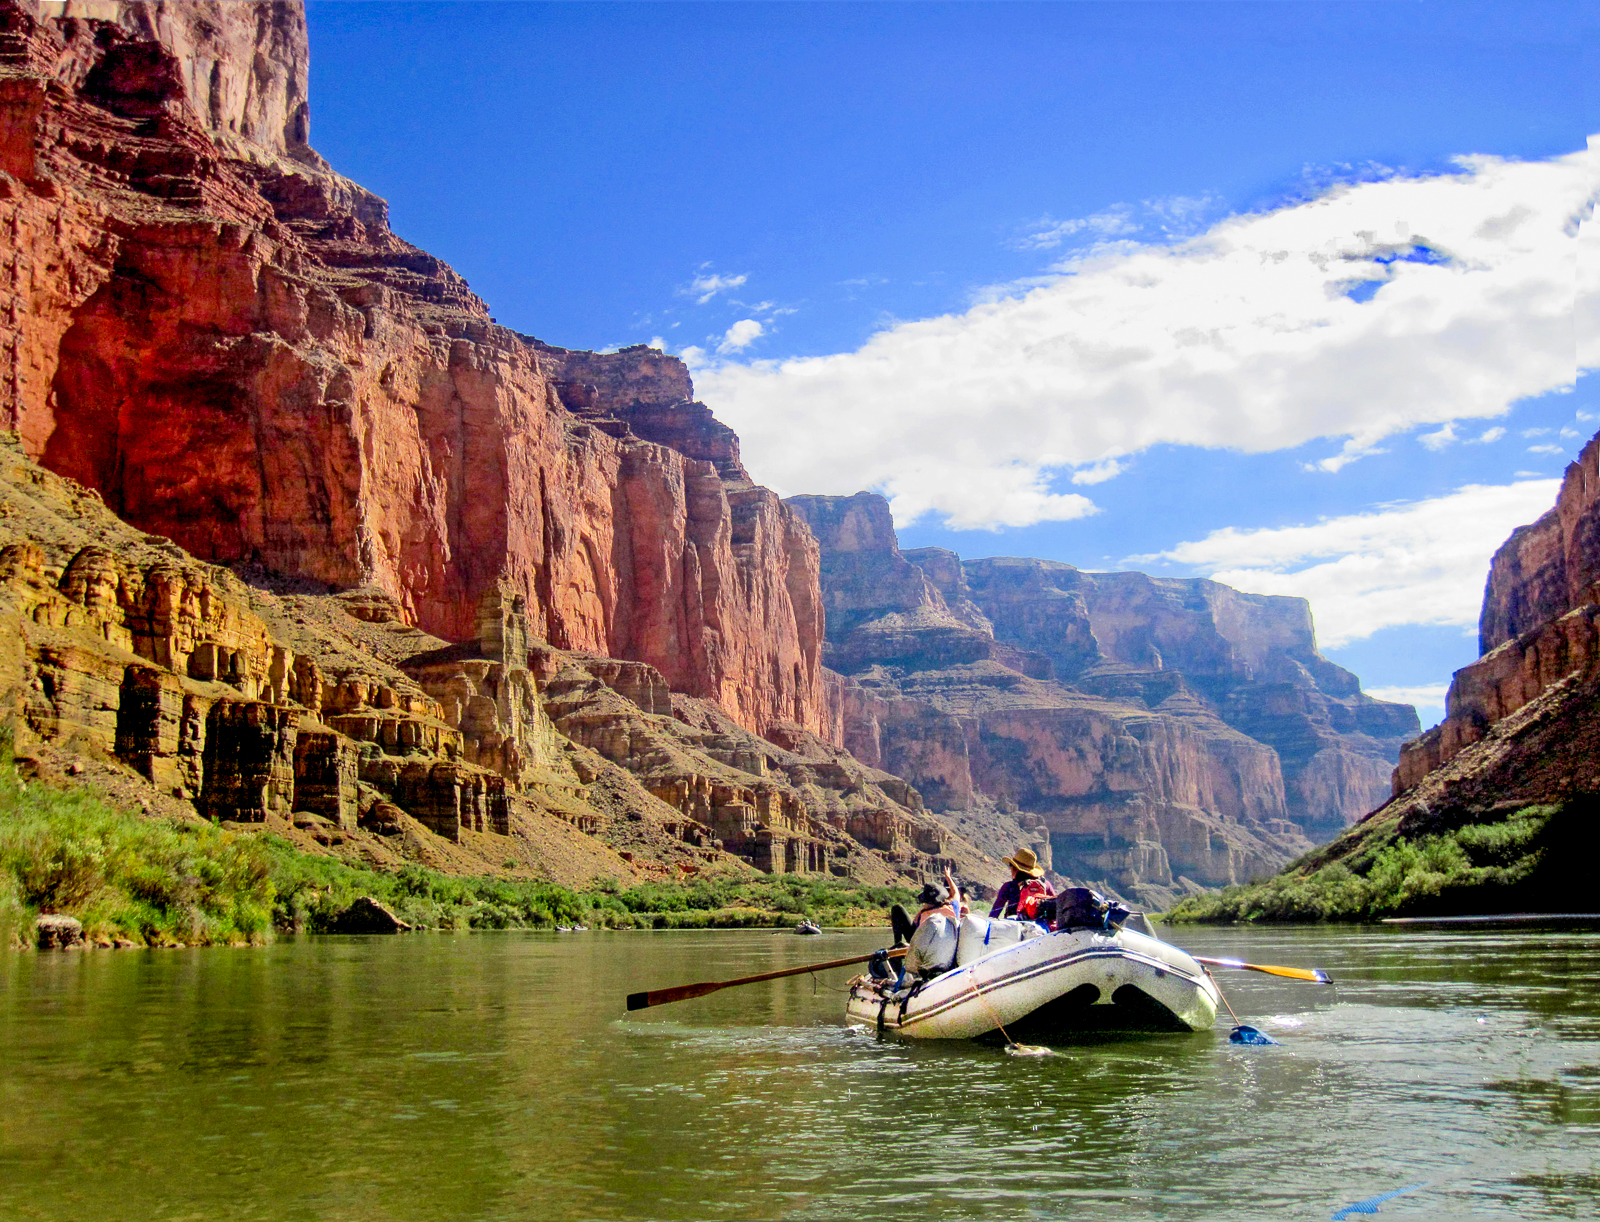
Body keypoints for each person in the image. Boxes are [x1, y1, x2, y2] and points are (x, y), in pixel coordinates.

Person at [989, 848, 1054, 922]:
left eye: (1011, 865)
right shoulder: (1046, 885)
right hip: (1040, 928)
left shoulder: (1008, 887)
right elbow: (1056, 906)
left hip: (1014, 927)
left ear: (1015, 868)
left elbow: (994, 915)